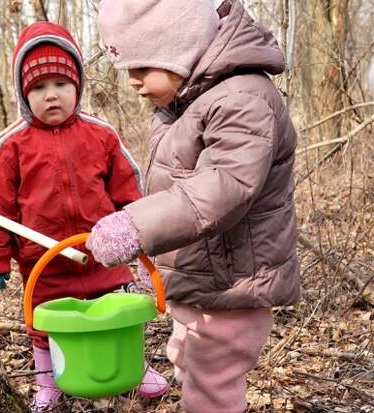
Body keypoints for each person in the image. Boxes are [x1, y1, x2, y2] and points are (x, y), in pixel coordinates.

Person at [86, 1, 301, 412]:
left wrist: (135, 226)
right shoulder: (186, 101)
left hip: (231, 289)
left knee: (211, 389)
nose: (132, 82)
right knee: (187, 362)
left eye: (141, 67)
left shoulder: (242, 98)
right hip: (205, 285)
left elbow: (223, 189)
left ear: (179, 48)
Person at [0, 21, 168, 412]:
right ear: (23, 94)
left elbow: (130, 188)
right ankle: (49, 381)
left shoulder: (101, 135)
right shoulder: (12, 146)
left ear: (77, 85)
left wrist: (139, 230)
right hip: (44, 260)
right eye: (38, 88)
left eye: (61, 85)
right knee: (45, 323)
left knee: (117, 310)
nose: (51, 96)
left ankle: (134, 364)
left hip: (103, 253)